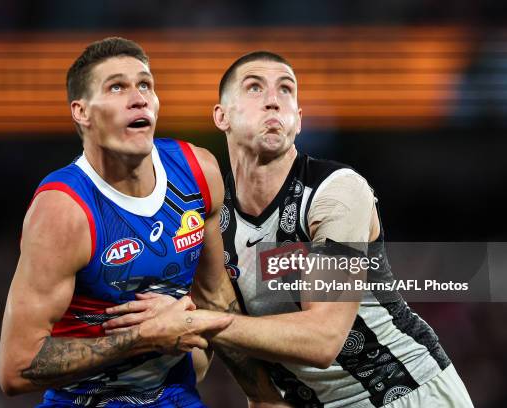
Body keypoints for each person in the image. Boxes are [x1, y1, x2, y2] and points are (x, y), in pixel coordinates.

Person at [105, 51, 475, 407]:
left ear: (298, 119)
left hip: (412, 394)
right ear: (222, 116)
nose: (273, 101)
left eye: (286, 90)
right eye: (254, 88)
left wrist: (193, 320)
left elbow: (323, 339)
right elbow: (207, 352)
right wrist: (154, 335)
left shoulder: (337, 191)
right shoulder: (213, 219)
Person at [0, 37, 238, 407]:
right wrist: (144, 337)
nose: (139, 97)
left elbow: (216, 295)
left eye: (145, 84)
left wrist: (191, 328)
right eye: (117, 87)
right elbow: (15, 367)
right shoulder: (63, 210)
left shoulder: (198, 171)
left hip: (176, 396)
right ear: (82, 112)